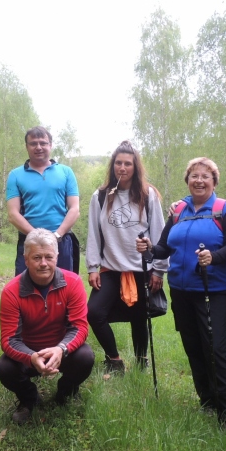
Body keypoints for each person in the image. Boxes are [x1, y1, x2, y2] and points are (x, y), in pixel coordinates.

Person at [137, 158, 226, 429]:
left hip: (213, 290)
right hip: (181, 292)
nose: (199, 180)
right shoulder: (178, 211)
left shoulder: (224, 210)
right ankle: (207, 400)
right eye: (194, 176)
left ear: (214, 182)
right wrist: (148, 247)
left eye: (205, 176)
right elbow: (163, 249)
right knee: (193, 346)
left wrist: (214, 256)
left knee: (215, 348)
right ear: (187, 180)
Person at [85, 140, 168, 372]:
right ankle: (114, 360)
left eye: (128, 164)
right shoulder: (100, 196)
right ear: (113, 166)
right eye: (118, 163)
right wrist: (93, 267)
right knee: (94, 312)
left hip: (142, 267)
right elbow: (94, 233)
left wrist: (159, 269)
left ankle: (142, 362)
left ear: (135, 167)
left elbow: (160, 233)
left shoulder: (147, 195)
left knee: (139, 317)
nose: (123, 168)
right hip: (110, 268)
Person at [0, 228, 94, 425]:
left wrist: (61, 349)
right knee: (5, 367)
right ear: (26, 259)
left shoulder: (73, 283)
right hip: (28, 354)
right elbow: (9, 340)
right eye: (37, 257)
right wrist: (31, 357)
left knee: (86, 356)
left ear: (57, 257)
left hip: (62, 352)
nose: (43, 263)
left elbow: (80, 328)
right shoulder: (11, 291)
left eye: (49, 257)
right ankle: (29, 398)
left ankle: (66, 392)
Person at [6, 126, 79, 275]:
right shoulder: (15, 175)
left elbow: (74, 209)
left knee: (63, 289)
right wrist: (38, 238)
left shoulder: (66, 172)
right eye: (33, 143)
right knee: (25, 291)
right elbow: (13, 214)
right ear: (27, 146)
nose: (38, 147)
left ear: (50, 145)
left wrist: (56, 236)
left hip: (61, 241)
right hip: (29, 242)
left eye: (43, 143)